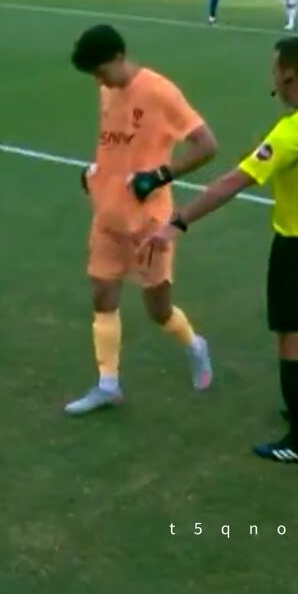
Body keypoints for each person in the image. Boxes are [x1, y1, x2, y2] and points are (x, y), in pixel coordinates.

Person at [146, 36, 298, 466]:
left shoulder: (294, 130)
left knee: (293, 342)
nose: (273, 79)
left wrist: (178, 222)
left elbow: (232, 182)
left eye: (275, 70)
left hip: (297, 250)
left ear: (289, 74)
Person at [65, 24, 217, 415]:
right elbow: (114, 144)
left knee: (158, 311)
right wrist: (96, 173)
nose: (99, 81)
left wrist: (161, 175)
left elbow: (207, 145)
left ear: (119, 57)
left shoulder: (159, 92)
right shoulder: (107, 91)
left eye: (101, 71)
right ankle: (108, 384)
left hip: (148, 223)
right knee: (103, 297)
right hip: (108, 214)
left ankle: (194, 345)